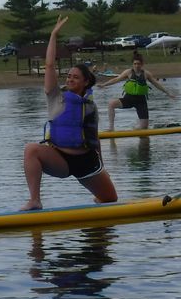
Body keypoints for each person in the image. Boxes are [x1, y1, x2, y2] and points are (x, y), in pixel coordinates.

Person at [20, 16, 117, 211]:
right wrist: (54, 35)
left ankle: (98, 217)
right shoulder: (56, 96)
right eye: (69, 76)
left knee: (110, 201)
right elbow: (49, 65)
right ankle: (35, 200)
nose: (70, 79)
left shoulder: (90, 106)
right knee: (31, 149)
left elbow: (94, 138)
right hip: (60, 160)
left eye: (75, 77)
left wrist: (102, 166)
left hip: (87, 162)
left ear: (86, 82)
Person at [96, 53, 175, 131]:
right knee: (111, 103)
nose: (137, 65)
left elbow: (156, 84)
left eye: (139, 64)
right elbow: (116, 79)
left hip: (141, 101)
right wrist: (104, 84)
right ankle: (111, 128)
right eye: (135, 63)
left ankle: (136, 128)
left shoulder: (146, 74)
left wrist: (168, 93)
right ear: (132, 64)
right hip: (129, 99)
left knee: (144, 128)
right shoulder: (128, 72)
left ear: (142, 64)